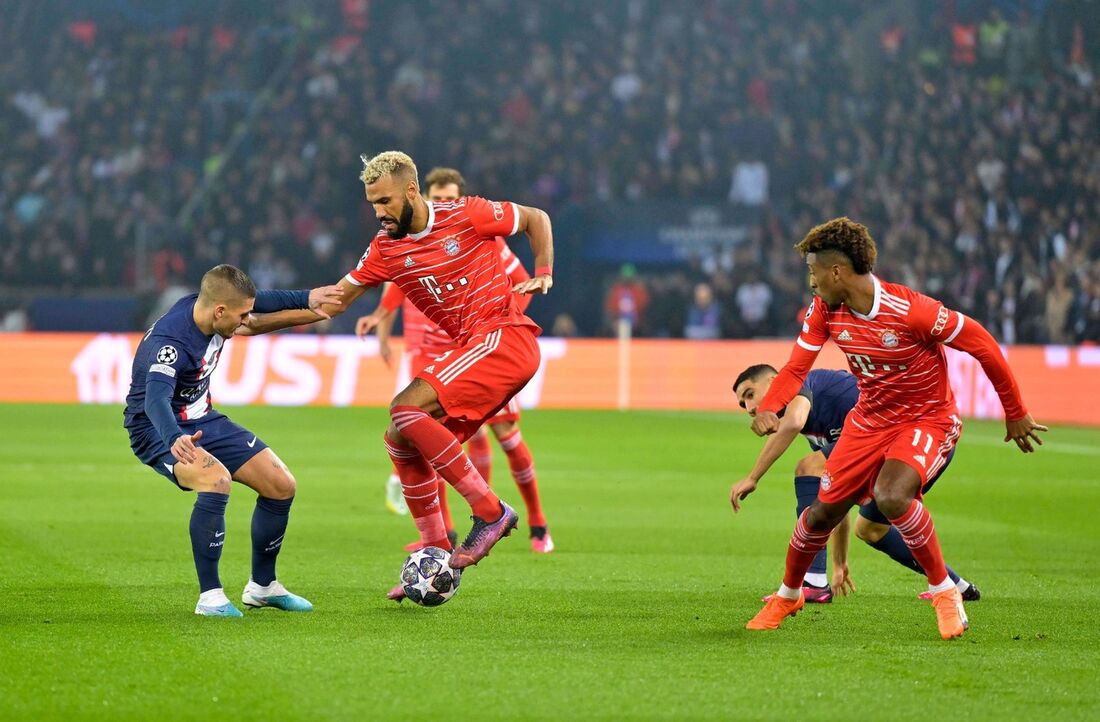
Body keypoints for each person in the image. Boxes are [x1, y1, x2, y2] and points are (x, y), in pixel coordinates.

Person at [245, 151, 554, 598]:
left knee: (406, 409)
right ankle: (435, 551)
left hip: (505, 338)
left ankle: (492, 511)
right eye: (373, 204)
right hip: (476, 349)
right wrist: (256, 319)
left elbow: (536, 218)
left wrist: (542, 272)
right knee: (399, 436)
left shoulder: (467, 214)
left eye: (386, 201)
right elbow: (331, 302)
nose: (379, 212)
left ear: (411, 190)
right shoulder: (385, 250)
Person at [745, 217, 1045, 639]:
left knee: (891, 495)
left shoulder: (911, 311)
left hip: (926, 419)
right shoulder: (824, 310)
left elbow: (980, 342)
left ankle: (944, 591)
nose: (810, 282)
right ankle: (789, 592)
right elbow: (797, 366)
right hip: (868, 421)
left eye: (813, 272)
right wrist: (772, 407)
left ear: (836, 272)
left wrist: (1014, 410)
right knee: (821, 514)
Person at [123, 264, 343, 617]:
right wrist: (173, 437)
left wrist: (308, 300)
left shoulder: (208, 307)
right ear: (220, 311)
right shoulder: (172, 343)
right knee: (217, 481)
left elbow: (258, 307)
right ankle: (210, 597)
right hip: (156, 428)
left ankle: (263, 587)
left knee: (281, 484)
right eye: (240, 315)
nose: (246, 319)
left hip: (202, 418)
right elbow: (155, 400)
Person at [356, 167, 553, 554]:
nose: (444, 203)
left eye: (450, 197)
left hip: (491, 346)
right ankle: (442, 537)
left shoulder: (479, 231)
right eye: (438, 197)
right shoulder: (405, 243)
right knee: (420, 436)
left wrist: (507, 307)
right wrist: (381, 318)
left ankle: (537, 523)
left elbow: (521, 280)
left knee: (507, 438)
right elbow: (398, 281)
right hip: (443, 355)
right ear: (421, 194)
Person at [731, 364, 981, 603]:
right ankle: (957, 586)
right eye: (743, 404)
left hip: (921, 440)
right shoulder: (816, 427)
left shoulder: (799, 382)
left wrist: (753, 476)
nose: (750, 407)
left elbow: (793, 421)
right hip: (898, 445)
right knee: (871, 530)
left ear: (776, 382)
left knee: (808, 467)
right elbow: (836, 495)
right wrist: (840, 563)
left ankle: (813, 582)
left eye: (750, 394)